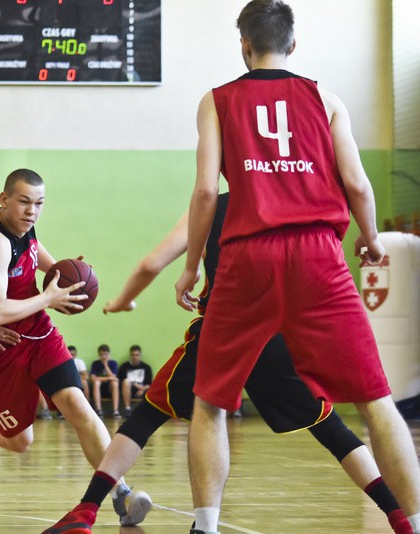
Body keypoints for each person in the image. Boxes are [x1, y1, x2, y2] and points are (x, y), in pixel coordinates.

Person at [173, 2, 420, 533]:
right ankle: (416, 524)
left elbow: (203, 193)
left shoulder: (216, 101)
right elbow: (357, 184)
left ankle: (206, 526)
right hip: (318, 254)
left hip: (246, 257)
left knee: (211, 399)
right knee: (377, 399)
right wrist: (372, 240)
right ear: (293, 44)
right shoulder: (325, 98)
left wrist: (192, 266)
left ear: (244, 45)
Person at [43, 194, 413, 534]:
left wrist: (122, 300)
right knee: (331, 428)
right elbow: (355, 191)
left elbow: (152, 263)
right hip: (280, 332)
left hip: (226, 326)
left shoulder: (211, 204)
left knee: (150, 413)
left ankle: (89, 510)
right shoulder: (293, 200)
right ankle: (399, 516)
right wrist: (370, 233)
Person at [0, 169, 152, 527]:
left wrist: (74, 276)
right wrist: (49, 296)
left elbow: (49, 268)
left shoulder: (25, 228)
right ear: (4, 200)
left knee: (79, 407)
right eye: (23, 202)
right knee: (20, 441)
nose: (32, 211)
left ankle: (121, 494)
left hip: (38, 334)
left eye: (38, 204)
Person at [117, 345, 152, 417]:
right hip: (128, 389)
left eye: (137, 355)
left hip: (142, 390)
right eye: (133, 355)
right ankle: (127, 408)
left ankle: (147, 413)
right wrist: (136, 385)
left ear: (140, 355)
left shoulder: (146, 367)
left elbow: (149, 383)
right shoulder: (124, 366)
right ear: (130, 355)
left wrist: (142, 389)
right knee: (126, 381)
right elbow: (121, 381)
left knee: (150, 390)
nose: (135, 357)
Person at [89, 344, 120, 418]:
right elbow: (93, 379)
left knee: (114, 383)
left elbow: (114, 378)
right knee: (96, 383)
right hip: (98, 389)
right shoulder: (95, 363)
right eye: (101, 354)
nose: (103, 356)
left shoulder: (113, 363)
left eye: (105, 354)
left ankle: (115, 411)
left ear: (109, 354)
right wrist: (108, 378)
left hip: (109, 388)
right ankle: (98, 410)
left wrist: (105, 365)